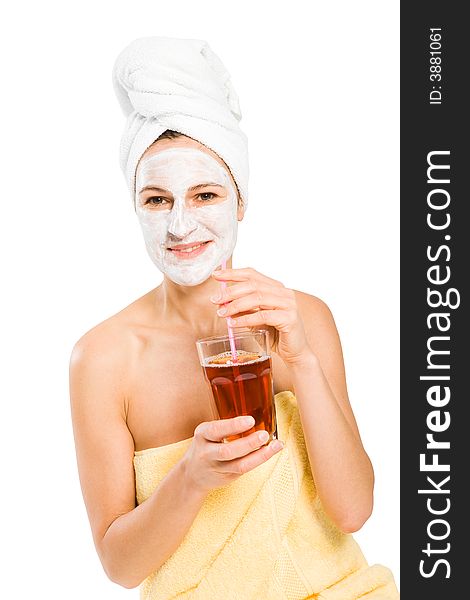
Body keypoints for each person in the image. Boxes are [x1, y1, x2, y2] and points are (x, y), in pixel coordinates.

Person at [69, 36, 399, 599]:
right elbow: (120, 567)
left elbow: (353, 510)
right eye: (155, 200)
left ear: (240, 201)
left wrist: (301, 360)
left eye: (204, 195)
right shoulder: (103, 358)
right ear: (135, 208)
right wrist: (192, 478)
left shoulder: (303, 318)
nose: (179, 226)